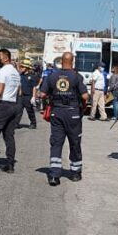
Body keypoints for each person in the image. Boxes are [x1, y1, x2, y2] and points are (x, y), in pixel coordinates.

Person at [38, 51, 89, 186]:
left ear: (61, 61)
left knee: (56, 143)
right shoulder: (77, 77)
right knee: (74, 142)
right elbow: (85, 97)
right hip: (73, 113)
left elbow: (42, 94)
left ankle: (54, 175)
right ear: (72, 61)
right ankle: (75, 173)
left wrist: (52, 96)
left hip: (57, 112)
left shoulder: (52, 76)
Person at [17, 58, 37, 129]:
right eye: (20, 66)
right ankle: (16, 123)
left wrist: (34, 97)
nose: (21, 68)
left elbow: (34, 87)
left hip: (28, 96)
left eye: (22, 67)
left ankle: (33, 123)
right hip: (21, 96)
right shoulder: (20, 75)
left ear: (27, 68)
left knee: (30, 111)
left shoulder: (32, 76)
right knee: (18, 110)